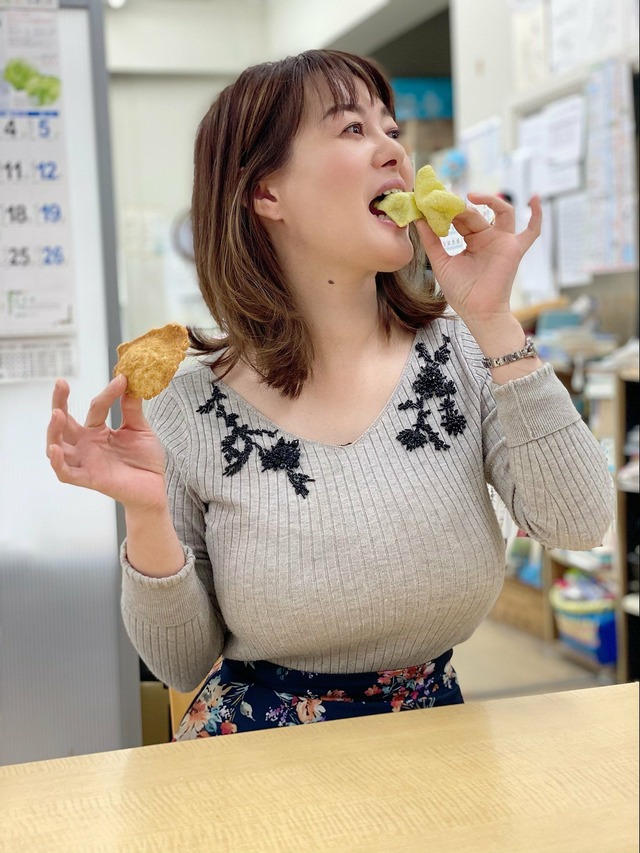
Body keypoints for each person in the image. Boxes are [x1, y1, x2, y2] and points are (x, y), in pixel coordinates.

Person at [47, 49, 613, 739]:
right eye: (352, 128)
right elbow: (180, 661)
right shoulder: (186, 405)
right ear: (266, 193)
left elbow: (581, 524)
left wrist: (494, 319)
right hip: (256, 757)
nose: (394, 150)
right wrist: (144, 514)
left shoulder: (466, 353)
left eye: (390, 128)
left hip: (439, 741)